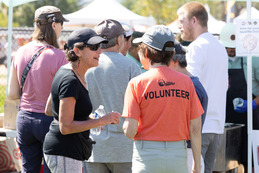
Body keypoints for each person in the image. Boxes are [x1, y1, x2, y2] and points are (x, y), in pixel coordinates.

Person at [122, 25, 203, 173]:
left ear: (146, 52)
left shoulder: (137, 83)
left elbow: (130, 131)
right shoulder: (186, 82)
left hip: (147, 155)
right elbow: (195, 129)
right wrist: (197, 165)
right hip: (178, 153)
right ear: (172, 54)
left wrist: (124, 127)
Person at [43, 27, 121, 173]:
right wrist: (100, 121)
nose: (100, 51)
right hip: (65, 150)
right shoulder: (70, 80)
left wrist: (87, 118)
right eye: (93, 47)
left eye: (99, 46)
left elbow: (50, 109)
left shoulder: (69, 72)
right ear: (77, 51)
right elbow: (65, 127)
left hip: (66, 150)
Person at [7, 6, 69, 173]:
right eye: (61, 23)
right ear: (54, 24)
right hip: (49, 120)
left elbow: (12, 94)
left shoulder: (19, 52)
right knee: (52, 169)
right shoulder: (60, 56)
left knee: (28, 169)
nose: (62, 28)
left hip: (24, 118)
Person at [177, 2, 228, 173]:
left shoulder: (197, 47)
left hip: (200, 127)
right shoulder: (220, 47)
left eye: (181, 20)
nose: (179, 26)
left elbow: (190, 88)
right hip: (217, 126)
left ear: (193, 21)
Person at [85, 19, 141, 173]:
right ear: (119, 40)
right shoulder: (131, 66)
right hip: (124, 147)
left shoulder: (87, 65)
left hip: (93, 145)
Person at [219, 23, 259, 172]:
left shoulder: (253, 60)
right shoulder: (219, 59)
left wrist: (252, 104)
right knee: (224, 161)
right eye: (227, 47)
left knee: (251, 161)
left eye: (233, 47)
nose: (230, 50)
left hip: (249, 120)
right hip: (226, 120)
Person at [169, 43, 208, 173]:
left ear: (175, 61)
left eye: (165, 62)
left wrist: (196, 164)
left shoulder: (191, 86)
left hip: (189, 153)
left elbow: (194, 128)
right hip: (186, 152)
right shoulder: (189, 83)